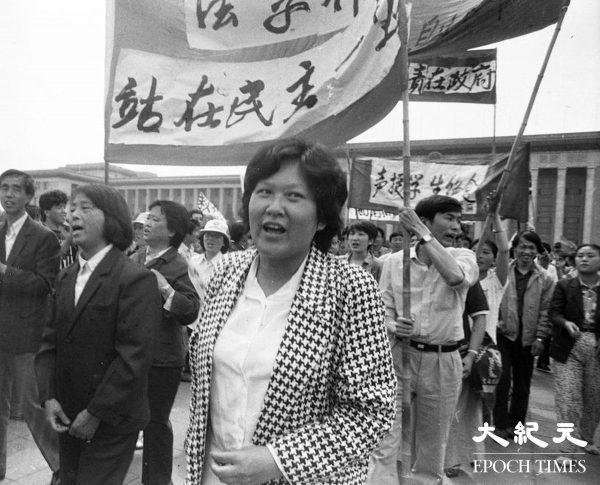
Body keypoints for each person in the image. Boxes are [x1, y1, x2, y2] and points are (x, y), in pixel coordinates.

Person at [186, 139, 396, 484]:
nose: (274, 207)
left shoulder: (350, 287)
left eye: (294, 196)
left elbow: (370, 413)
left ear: (322, 217)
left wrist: (278, 459)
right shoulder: (225, 272)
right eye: (264, 192)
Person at [35, 184, 162, 485]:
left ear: (113, 219)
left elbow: (134, 358)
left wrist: (95, 413)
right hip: (67, 415)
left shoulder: (135, 279)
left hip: (111, 420)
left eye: (85, 207)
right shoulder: (66, 276)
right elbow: (49, 342)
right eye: (72, 207)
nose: (73, 214)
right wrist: (49, 397)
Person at [373, 195, 478, 483]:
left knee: (431, 446)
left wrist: (423, 234)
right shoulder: (394, 262)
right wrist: (394, 325)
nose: (457, 227)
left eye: (459, 220)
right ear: (427, 219)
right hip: (398, 358)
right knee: (384, 435)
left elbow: (456, 279)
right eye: (449, 218)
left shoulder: (464, 257)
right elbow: (382, 310)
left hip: (442, 361)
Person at [131, 200, 200, 485]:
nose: (147, 222)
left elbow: (191, 309)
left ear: (172, 231)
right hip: (132, 353)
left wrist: (165, 287)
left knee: (155, 424)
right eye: (148, 217)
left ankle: (158, 481)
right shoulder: (136, 256)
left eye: (156, 219)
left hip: (162, 358)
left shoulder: (178, 264)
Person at [0, 170, 61, 483]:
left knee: (32, 407)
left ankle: (61, 467)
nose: (8, 194)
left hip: (26, 336)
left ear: (28, 197)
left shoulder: (43, 236)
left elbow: (44, 284)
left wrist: (5, 272)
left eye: (15, 190)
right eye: (4, 188)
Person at [493, 231, 555, 439]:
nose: (526, 251)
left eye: (531, 247)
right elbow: (494, 298)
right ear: (515, 249)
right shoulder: (502, 271)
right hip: (504, 334)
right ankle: (499, 423)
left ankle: (516, 424)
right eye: (522, 246)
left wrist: (540, 338)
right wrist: (497, 321)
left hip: (528, 338)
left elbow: (546, 311)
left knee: (522, 383)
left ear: (537, 251)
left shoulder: (545, 278)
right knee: (502, 379)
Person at [548, 243, 600, 460]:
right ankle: (568, 449)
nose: (584, 259)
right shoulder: (564, 285)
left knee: (594, 397)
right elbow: (554, 312)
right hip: (569, 347)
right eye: (580, 256)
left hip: (596, 349)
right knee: (568, 397)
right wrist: (566, 323)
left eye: (590, 255)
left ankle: (586, 438)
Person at [39, 189, 78, 269]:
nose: (64, 211)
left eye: (64, 207)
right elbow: (50, 261)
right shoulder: (39, 234)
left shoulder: (66, 232)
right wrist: (69, 241)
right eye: (59, 208)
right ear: (46, 212)